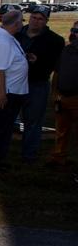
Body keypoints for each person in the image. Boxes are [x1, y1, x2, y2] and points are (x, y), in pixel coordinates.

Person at [0, 9, 29, 172]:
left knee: (6, 127)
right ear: (16, 24)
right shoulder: (2, 41)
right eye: (22, 21)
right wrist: (1, 94)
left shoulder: (7, 37)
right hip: (5, 92)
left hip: (12, 90)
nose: (22, 24)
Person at [15, 6, 65, 163]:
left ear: (46, 21)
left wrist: (39, 61)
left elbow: (57, 65)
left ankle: (28, 154)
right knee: (9, 117)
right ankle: (2, 149)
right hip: (15, 82)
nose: (36, 21)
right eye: (34, 17)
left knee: (34, 120)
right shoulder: (17, 34)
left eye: (40, 19)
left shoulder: (55, 40)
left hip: (37, 83)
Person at [49, 21, 78, 169]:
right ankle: (58, 158)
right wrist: (55, 93)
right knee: (61, 130)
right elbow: (57, 73)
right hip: (62, 97)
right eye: (75, 30)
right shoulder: (66, 51)